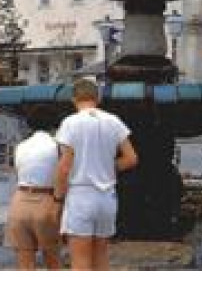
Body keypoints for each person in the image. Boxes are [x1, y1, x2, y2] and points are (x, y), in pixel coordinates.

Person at [55, 77, 138, 272]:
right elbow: (132, 158)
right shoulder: (113, 121)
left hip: (81, 196)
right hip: (107, 197)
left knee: (80, 261)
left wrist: (57, 198)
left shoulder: (70, 123)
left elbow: (64, 166)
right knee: (101, 259)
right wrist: (108, 166)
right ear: (97, 98)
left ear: (74, 99)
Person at [6, 114, 62, 271]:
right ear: (53, 126)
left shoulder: (21, 146)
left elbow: (18, 173)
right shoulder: (56, 145)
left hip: (19, 201)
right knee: (53, 261)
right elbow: (62, 175)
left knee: (25, 265)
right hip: (46, 200)